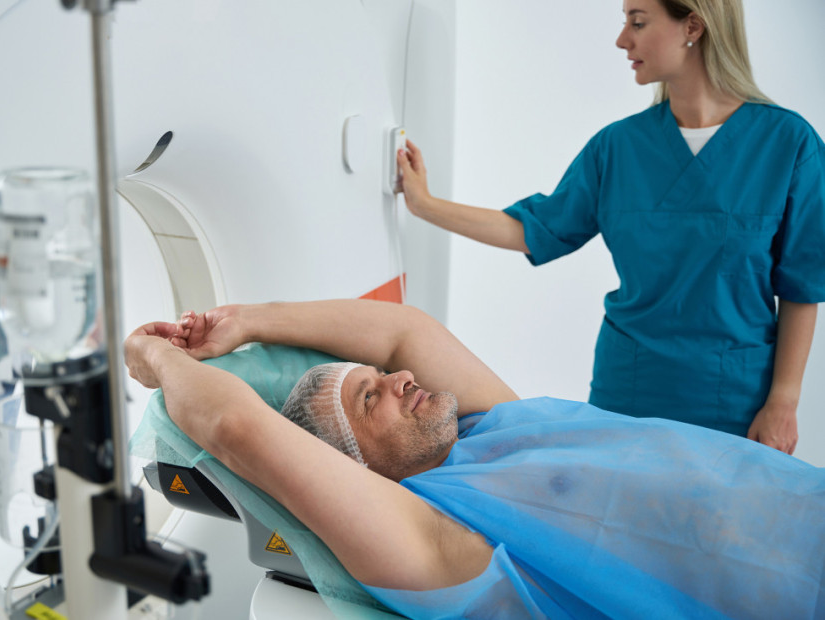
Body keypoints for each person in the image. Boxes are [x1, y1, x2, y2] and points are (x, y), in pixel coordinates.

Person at [124, 298, 825, 618]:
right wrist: (151, 356)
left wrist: (245, 321)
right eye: (371, 398)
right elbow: (236, 427)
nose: (399, 379)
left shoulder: (489, 426)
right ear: (353, 470)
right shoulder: (438, 538)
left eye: (381, 377)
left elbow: (403, 332)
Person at [396, 0, 825, 453]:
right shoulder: (617, 147)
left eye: (637, 22)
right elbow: (534, 229)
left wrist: (784, 399)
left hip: (736, 399)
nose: (622, 40)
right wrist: (425, 205)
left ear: (693, 27)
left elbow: (802, 284)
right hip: (629, 392)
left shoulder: (788, 144)